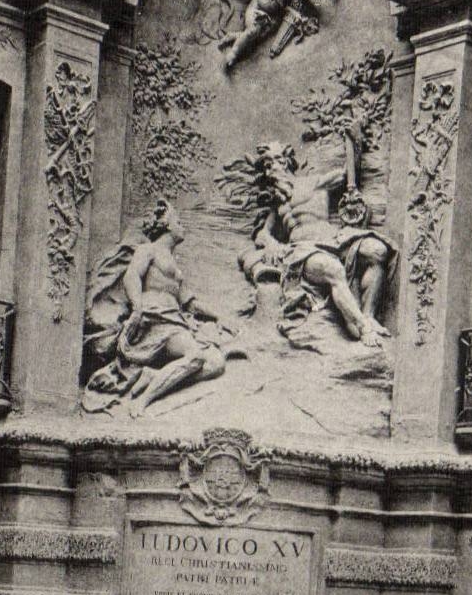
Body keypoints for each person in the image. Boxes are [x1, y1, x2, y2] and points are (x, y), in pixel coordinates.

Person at [222, 140, 397, 347]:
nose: (269, 172)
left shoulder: (314, 182)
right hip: (303, 249)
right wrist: (271, 244)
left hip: (333, 238)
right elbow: (262, 234)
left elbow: (345, 175)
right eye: (266, 168)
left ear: (284, 162)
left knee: (377, 250)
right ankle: (362, 328)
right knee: (332, 269)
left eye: (272, 164)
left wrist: (354, 144)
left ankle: (369, 316)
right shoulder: (277, 204)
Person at [82, 201, 237, 415]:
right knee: (196, 357)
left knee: (216, 363)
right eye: (179, 222)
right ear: (167, 225)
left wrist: (219, 316)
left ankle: (154, 377)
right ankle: (143, 400)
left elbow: (190, 303)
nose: (183, 227)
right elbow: (132, 276)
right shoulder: (149, 250)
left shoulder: (173, 265)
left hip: (175, 320)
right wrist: (137, 308)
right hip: (155, 319)